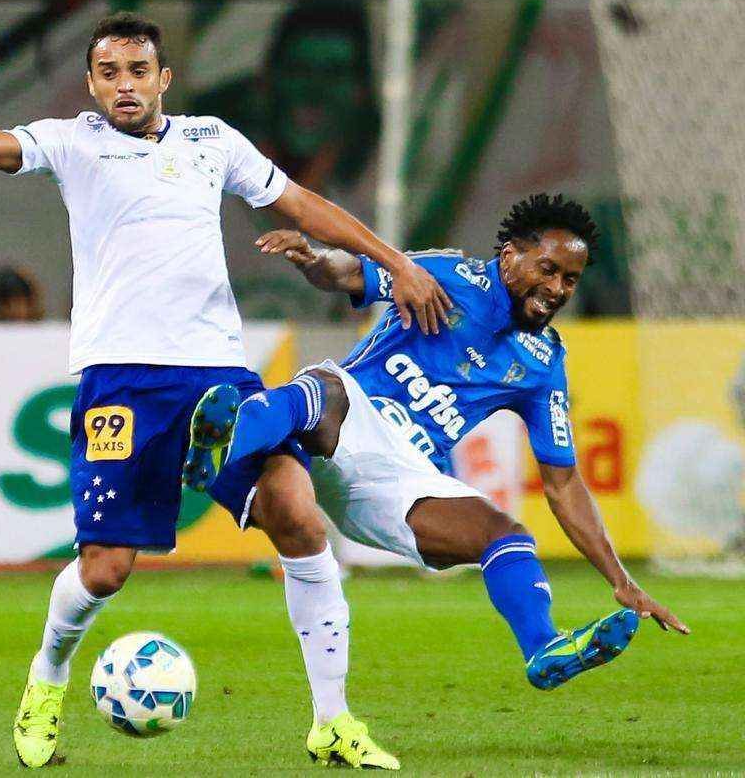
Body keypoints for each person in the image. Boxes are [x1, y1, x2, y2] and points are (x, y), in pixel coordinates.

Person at [0, 11, 450, 769]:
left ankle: (332, 719)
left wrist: (394, 262)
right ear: (92, 82)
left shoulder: (212, 141)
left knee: (299, 518)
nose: (124, 85)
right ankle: (48, 675)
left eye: (139, 71)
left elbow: (299, 202)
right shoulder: (73, 142)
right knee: (105, 569)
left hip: (217, 375)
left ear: (164, 78)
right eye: (109, 72)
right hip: (123, 383)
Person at [184, 194, 690, 763]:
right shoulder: (448, 275)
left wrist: (619, 580)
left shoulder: (543, 361)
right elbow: (350, 272)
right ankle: (221, 444)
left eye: (571, 279)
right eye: (547, 269)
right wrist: (311, 259)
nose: (558, 288)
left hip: (400, 474)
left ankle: (545, 647)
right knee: (320, 389)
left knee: (504, 536)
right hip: (346, 414)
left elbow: (564, 483)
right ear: (509, 256)